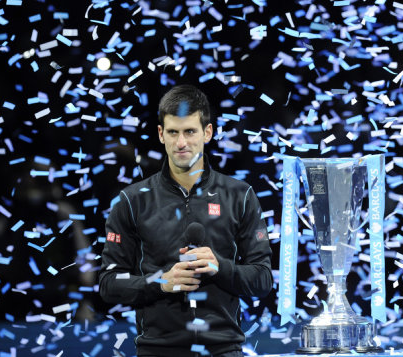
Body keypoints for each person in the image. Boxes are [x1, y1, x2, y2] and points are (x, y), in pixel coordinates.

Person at [99, 84, 273, 357]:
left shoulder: (240, 196)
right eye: (173, 132)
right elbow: (108, 283)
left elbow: (263, 279)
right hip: (156, 350)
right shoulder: (131, 200)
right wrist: (160, 283)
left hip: (223, 349)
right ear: (161, 134)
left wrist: (221, 267)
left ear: (208, 132)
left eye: (190, 131)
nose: (181, 143)